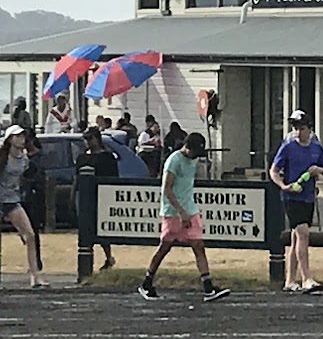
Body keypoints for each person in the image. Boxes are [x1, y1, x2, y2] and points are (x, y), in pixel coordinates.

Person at [138, 132, 230, 302]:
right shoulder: (174, 161)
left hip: (190, 208)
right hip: (173, 212)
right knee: (164, 247)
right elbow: (166, 189)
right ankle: (147, 282)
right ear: (187, 147)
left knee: (198, 245)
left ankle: (208, 287)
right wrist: (181, 212)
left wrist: (188, 212)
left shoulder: (193, 159)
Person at [270, 114, 323, 293]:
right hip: (291, 197)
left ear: (309, 129)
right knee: (303, 233)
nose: (298, 132)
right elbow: (274, 170)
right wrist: (284, 186)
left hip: (308, 197)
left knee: (296, 238)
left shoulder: (316, 148)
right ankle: (306, 278)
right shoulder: (288, 147)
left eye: (301, 128)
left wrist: (318, 170)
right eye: (295, 128)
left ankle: (289, 280)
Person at [0, 125, 47, 288]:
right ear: (10, 139)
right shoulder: (2, 156)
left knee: (30, 235)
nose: (22, 139)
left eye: (22, 136)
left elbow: (27, 175)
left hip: (12, 200)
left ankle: (35, 276)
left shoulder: (24, 158)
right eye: (17, 136)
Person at [73, 128, 119, 270]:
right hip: (86, 198)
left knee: (102, 228)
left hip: (102, 197)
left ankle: (108, 257)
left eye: (90, 138)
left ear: (97, 139)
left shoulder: (107, 157)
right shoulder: (82, 158)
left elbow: (114, 178)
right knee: (86, 229)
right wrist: (73, 194)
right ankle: (88, 261)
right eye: (85, 139)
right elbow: (77, 179)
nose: (87, 141)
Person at [21, 129, 45, 271]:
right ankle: (33, 258)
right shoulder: (22, 157)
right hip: (22, 196)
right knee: (23, 231)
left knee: (32, 230)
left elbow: (40, 177)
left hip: (34, 196)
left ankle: (36, 260)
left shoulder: (38, 157)